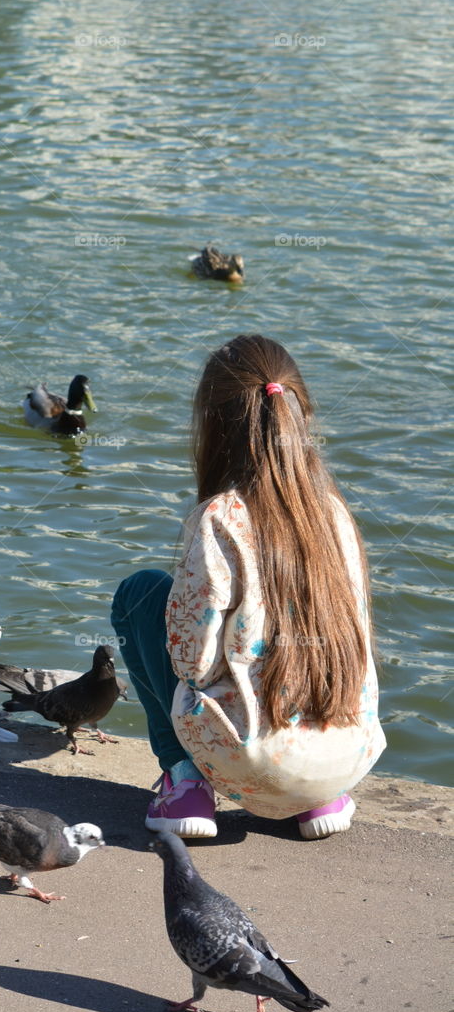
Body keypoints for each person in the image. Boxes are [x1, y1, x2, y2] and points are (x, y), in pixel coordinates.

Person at [111, 334, 385, 840]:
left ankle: (185, 782)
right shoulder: (335, 515)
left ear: (214, 425)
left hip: (248, 759)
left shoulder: (220, 517)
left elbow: (191, 664)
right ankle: (317, 800)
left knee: (141, 592)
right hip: (348, 756)